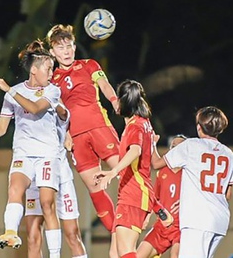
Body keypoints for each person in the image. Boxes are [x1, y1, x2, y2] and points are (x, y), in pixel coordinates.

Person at [0, 40, 62, 256]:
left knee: (47, 204)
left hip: (47, 155)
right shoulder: (16, 92)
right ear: (34, 70)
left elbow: (36, 109)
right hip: (24, 154)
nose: (52, 73)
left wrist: (8, 89)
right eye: (49, 69)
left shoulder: (53, 91)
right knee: (14, 190)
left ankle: (55, 255)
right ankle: (10, 232)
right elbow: (1, 128)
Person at [46, 24, 120, 257]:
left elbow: (104, 84)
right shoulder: (51, 79)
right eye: (60, 47)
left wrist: (114, 99)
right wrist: (64, 133)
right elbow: (54, 111)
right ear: (53, 53)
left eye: (69, 46)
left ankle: (146, 213)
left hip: (99, 127)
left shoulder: (90, 65)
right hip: (76, 137)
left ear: (75, 46)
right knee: (95, 187)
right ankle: (117, 233)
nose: (66, 51)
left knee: (124, 172)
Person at [151, 106, 233, 258]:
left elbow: (156, 164)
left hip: (197, 219)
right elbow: (228, 193)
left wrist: (150, 143)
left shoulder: (190, 145)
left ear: (199, 126)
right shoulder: (228, 153)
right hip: (220, 220)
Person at [94, 79, 163, 258]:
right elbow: (154, 161)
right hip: (132, 193)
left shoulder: (135, 126)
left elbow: (136, 150)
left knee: (125, 252)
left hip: (134, 193)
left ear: (123, 101)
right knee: (115, 252)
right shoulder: (144, 123)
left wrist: (112, 171)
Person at [24, 101, 87, 258]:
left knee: (73, 235)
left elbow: (65, 115)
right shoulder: (22, 101)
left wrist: (67, 133)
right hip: (34, 177)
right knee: (32, 238)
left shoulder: (53, 96)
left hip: (60, 177)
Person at [136, 134, 187, 258]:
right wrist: (147, 217)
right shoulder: (162, 172)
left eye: (179, 147)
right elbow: (155, 199)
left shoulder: (189, 173)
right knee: (138, 254)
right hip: (162, 226)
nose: (175, 149)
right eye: (172, 146)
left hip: (181, 227)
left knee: (175, 256)